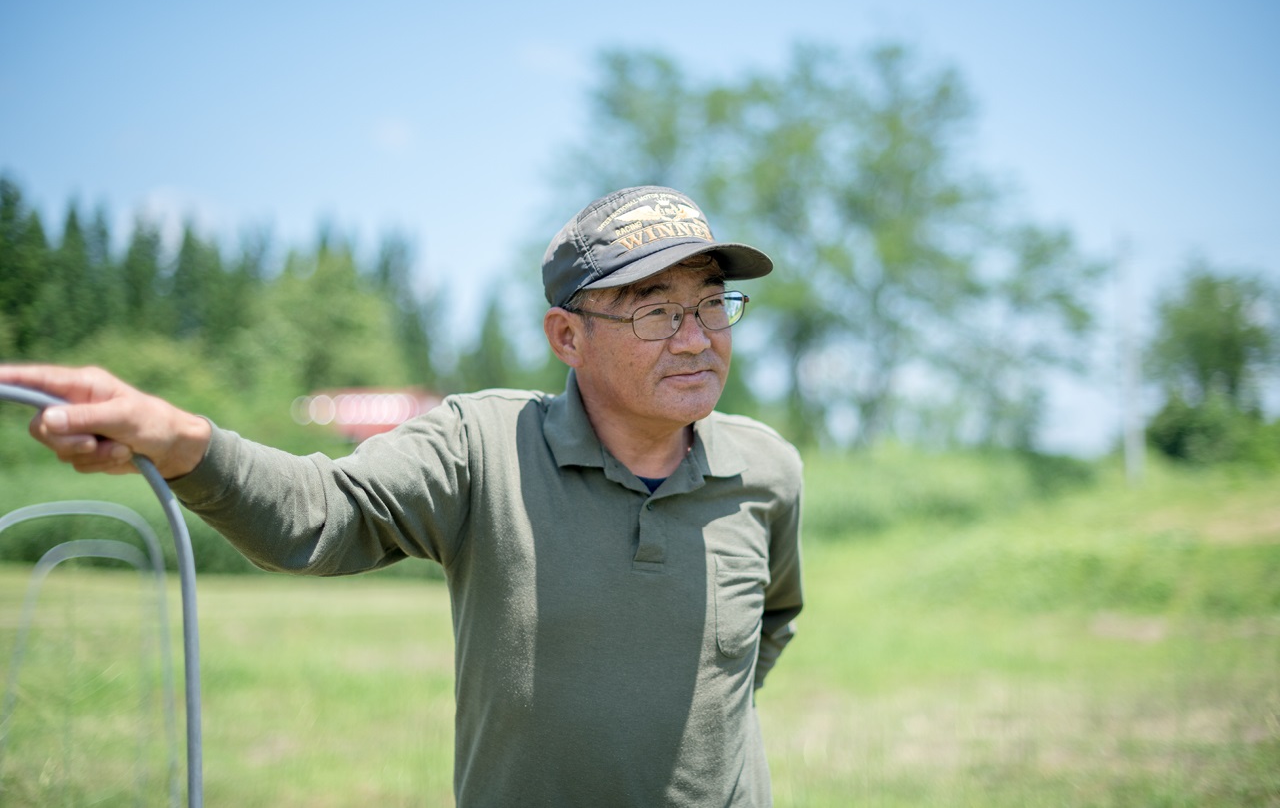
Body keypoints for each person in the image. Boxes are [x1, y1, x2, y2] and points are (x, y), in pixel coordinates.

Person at [1, 185, 804, 807]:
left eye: (709, 303)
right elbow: (322, 512)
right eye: (658, 312)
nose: (698, 337)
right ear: (568, 336)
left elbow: (773, 616)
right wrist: (184, 443)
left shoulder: (767, 471)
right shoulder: (478, 449)